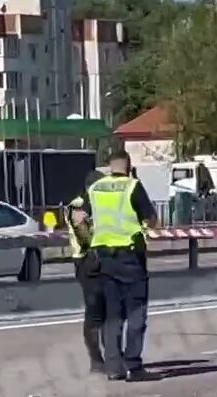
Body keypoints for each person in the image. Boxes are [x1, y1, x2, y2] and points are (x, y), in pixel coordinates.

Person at [79, 150, 161, 381]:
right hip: (130, 258)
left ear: (109, 165)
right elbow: (151, 218)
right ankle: (134, 366)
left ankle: (113, 367)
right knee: (136, 313)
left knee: (112, 315)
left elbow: (79, 218)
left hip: (104, 258)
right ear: (129, 166)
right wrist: (147, 231)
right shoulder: (132, 186)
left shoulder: (96, 187)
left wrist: (90, 240)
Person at [68, 169, 106, 373]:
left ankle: (113, 356)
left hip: (103, 260)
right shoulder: (78, 206)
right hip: (86, 261)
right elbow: (83, 233)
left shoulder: (100, 204)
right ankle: (96, 360)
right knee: (94, 314)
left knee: (109, 311)